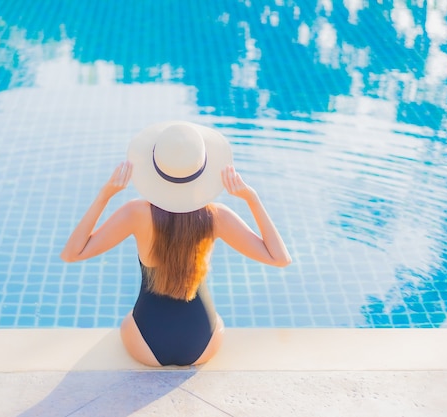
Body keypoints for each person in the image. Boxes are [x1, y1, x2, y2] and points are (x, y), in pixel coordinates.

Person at [61, 121, 291, 367]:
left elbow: (72, 253)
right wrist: (251, 198)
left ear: (155, 167)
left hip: (145, 344)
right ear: (203, 169)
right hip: (202, 343)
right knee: (220, 323)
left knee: (127, 321)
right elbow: (279, 258)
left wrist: (105, 194)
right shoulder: (216, 217)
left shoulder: (135, 214)